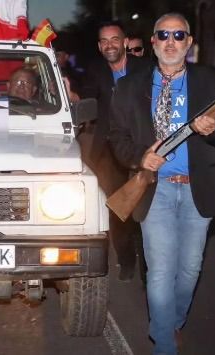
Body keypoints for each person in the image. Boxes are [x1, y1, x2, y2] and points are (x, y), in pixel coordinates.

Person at [108, 13, 215, 354]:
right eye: (163, 34)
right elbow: (116, 136)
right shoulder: (130, 86)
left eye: (178, 35)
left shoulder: (211, 79)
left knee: (190, 269)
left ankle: (171, 322)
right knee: (161, 271)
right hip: (156, 189)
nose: (170, 41)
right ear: (152, 42)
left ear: (189, 42)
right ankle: (164, 344)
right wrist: (139, 157)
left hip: (198, 187)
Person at [82, 21, 149, 282]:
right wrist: (73, 96)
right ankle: (125, 258)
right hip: (109, 151)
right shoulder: (96, 71)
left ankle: (149, 266)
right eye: (104, 41)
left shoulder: (145, 69)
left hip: (144, 147)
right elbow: (88, 97)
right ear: (100, 47)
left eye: (114, 39)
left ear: (124, 42)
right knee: (118, 207)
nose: (110, 44)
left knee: (146, 208)